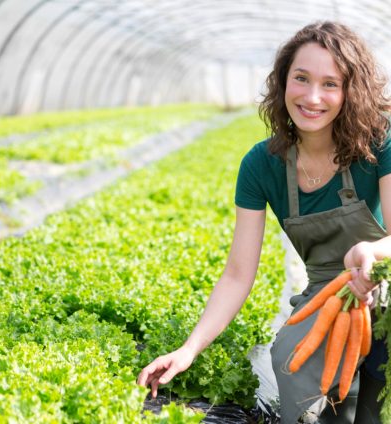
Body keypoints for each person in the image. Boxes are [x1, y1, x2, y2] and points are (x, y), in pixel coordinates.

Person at [138, 21, 391, 424]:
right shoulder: (262, 164)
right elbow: (238, 275)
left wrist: (372, 252)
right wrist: (189, 350)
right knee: (292, 361)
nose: (312, 97)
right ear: (282, 82)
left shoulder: (380, 140)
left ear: (350, 90)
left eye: (330, 84)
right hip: (329, 292)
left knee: (381, 400)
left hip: (387, 283)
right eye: (301, 79)